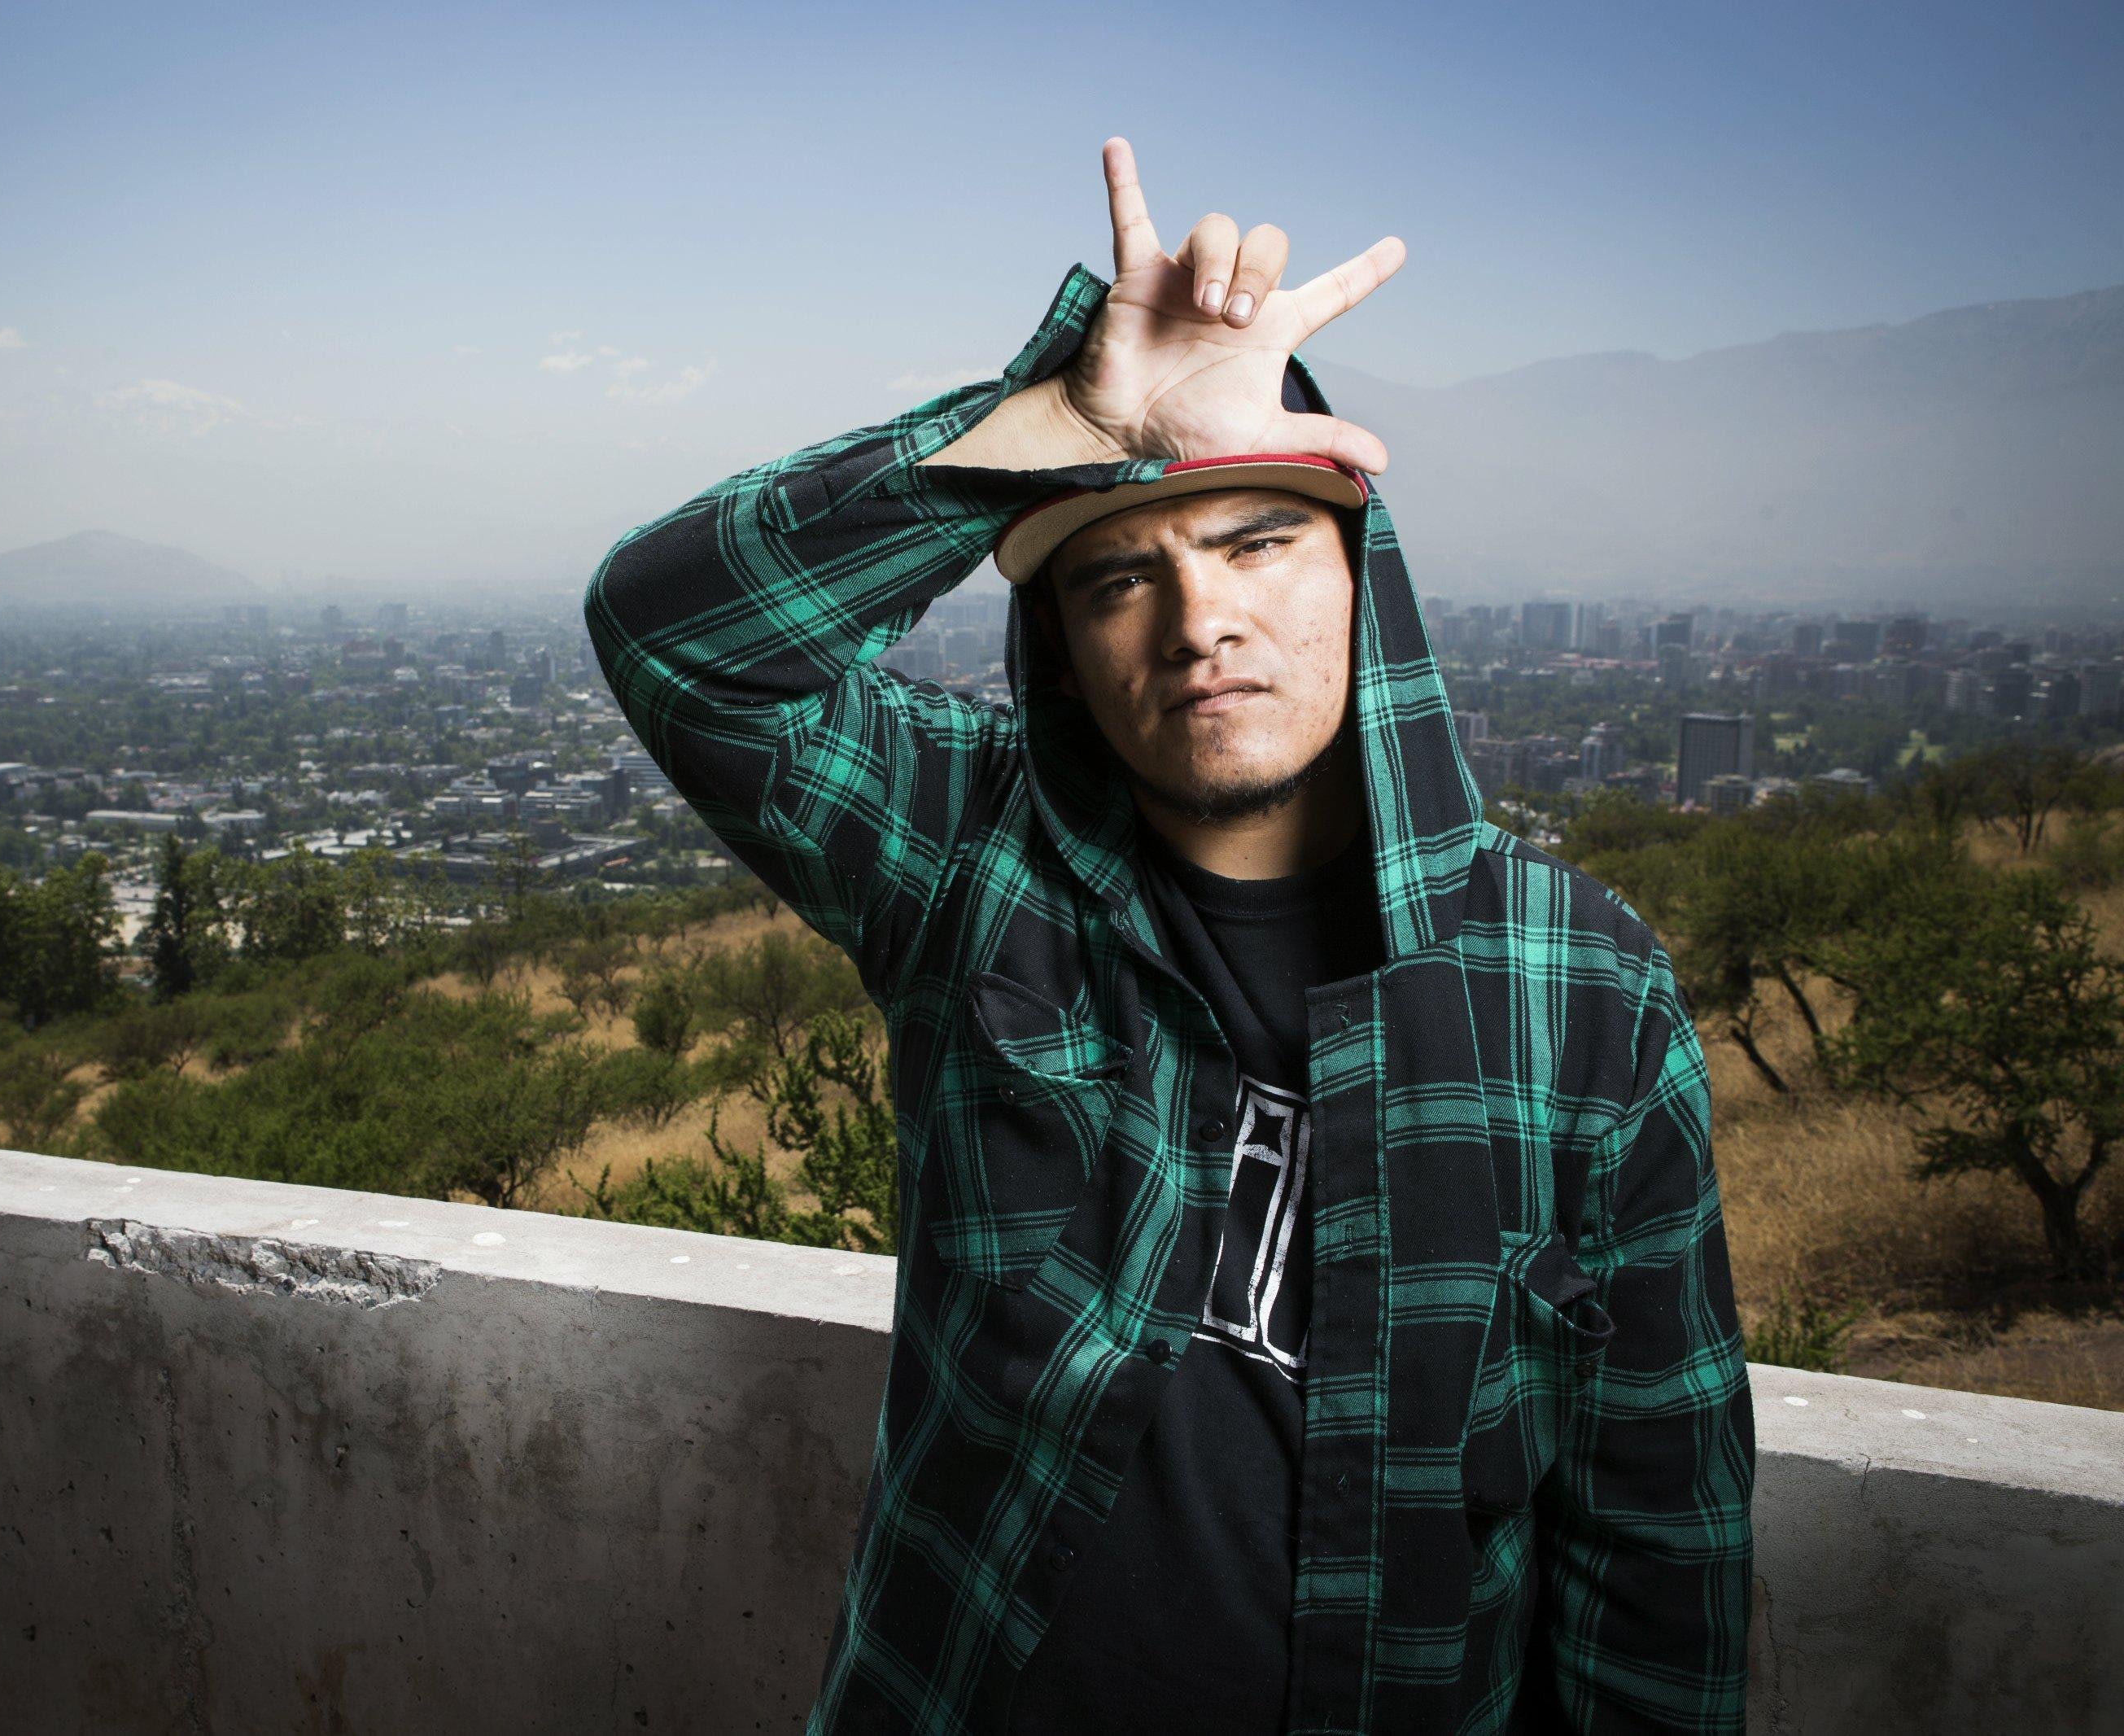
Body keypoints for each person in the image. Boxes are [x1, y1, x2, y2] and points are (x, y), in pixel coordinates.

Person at [584, 137, 1754, 1736]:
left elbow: (1657, 1543)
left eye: (1259, 542)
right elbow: (680, 639)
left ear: (1361, 577)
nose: (1202, 623)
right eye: (1121, 577)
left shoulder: (1582, 991)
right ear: (1062, 650)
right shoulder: (971, 854)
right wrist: (1063, 425)